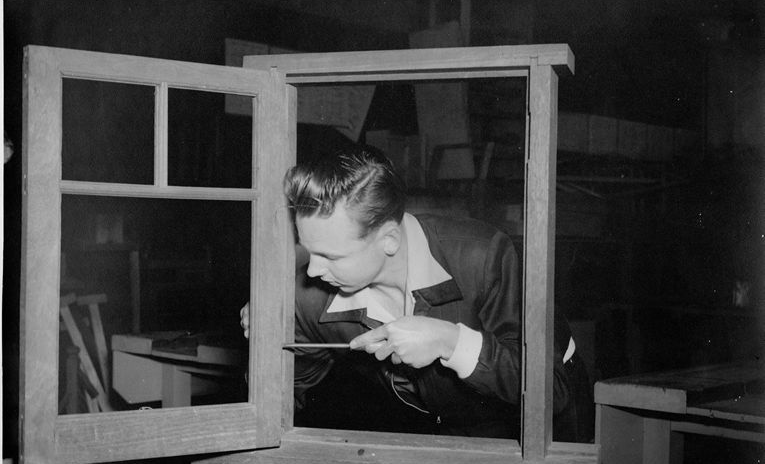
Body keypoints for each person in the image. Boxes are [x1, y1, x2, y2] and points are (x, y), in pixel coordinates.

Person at [241, 149, 591, 440]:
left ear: (389, 240)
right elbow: (279, 398)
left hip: (544, 424)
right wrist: (264, 346)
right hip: (440, 429)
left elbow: (551, 390)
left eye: (331, 256)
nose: (312, 271)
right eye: (308, 250)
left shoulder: (483, 256)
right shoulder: (311, 297)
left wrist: (451, 342)